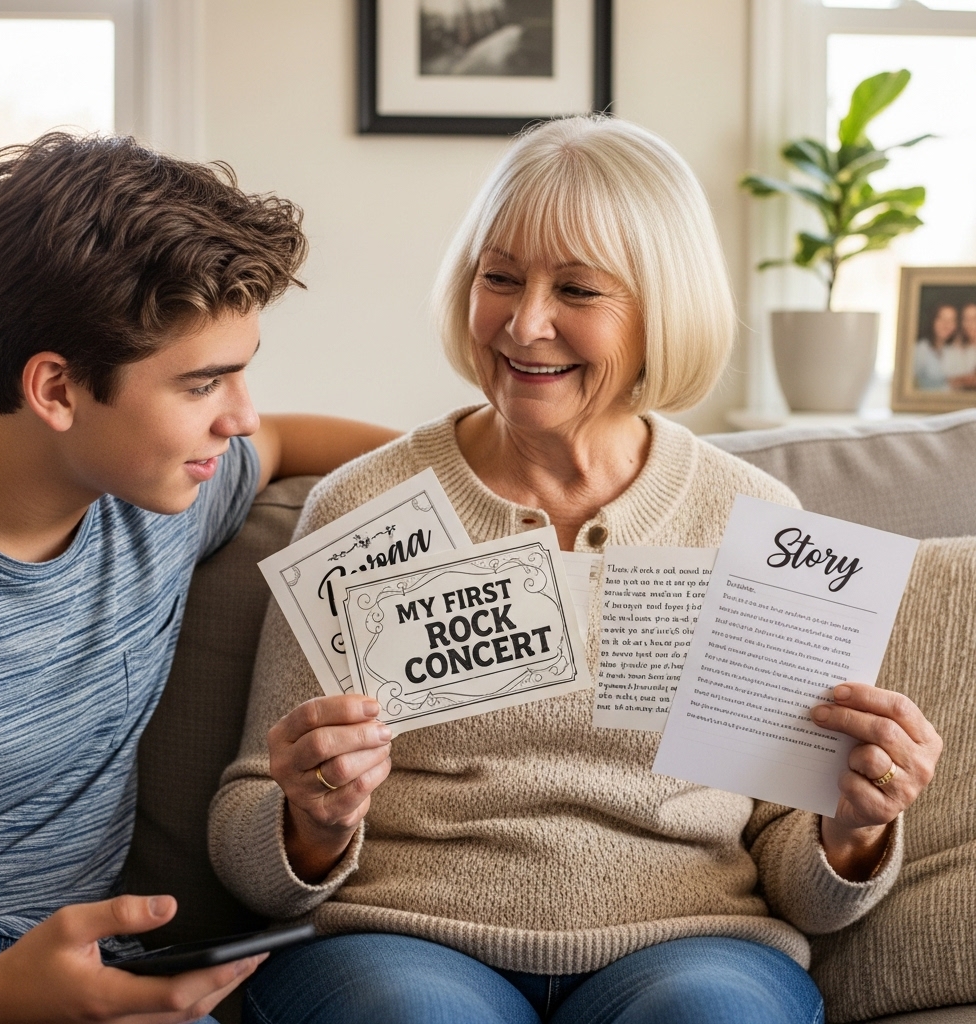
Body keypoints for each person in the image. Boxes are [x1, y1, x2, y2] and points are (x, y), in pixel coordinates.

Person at [208, 116, 943, 1024]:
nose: (524, 323)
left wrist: (856, 828)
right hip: (401, 942)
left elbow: (800, 875)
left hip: (690, 945)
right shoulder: (363, 509)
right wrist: (308, 822)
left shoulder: (753, 523)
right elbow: (247, 832)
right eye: (500, 277)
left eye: (579, 290)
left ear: (658, 314)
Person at [0, 133, 398, 1023]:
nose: (241, 413)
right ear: (56, 388)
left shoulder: (156, 493)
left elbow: (290, 443)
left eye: (244, 370)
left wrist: (505, 480)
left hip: (108, 959)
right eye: (204, 384)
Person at [913, 302, 958, 390]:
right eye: (941, 318)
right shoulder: (920, 350)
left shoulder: (954, 351)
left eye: (951, 320)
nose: (946, 324)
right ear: (933, 320)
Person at [947, 300, 976, 390]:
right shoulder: (954, 350)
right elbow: (949, 382)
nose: (970, 324)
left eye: (974, 319)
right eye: (966, 319)